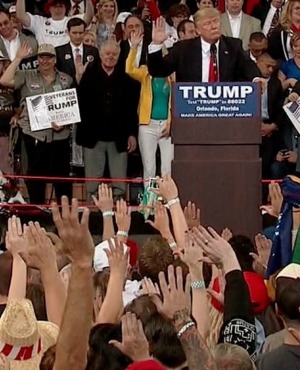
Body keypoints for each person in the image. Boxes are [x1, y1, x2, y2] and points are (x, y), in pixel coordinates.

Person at [0, 43, 73, 204]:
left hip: (60, 136)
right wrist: (19, 57)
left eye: (49, 57)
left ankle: (64, 215)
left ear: (55, 59)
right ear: (37, 59)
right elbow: (5, 80)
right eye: (41, 57)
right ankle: (38, 215)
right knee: (35, 178)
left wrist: (64, 122)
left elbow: (72, 108)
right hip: (34, 135)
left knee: (62, 180)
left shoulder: (66, 79)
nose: (45, 61)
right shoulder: (26, 75)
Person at [76, 39, 138, 202]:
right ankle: (92, 214)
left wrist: (132, 134)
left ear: (119, 56)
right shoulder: (88, 76)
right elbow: (80, 105)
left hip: (119, 138)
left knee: (119, 184)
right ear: (100, 55)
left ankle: (120, 215)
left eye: (114, 54)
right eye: (107, 54)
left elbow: (131, 110)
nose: (110, 57)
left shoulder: (127, 78)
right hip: (93, 138)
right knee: (92, 185)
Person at [147, 8, 262, 83]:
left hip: (225, 109)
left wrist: (256, 78)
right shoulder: (183, 49)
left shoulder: (233, 46)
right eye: (207, 23)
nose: (214, 26)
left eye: (216, 21)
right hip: (192, 110)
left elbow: (247, 65)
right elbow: (158, 71)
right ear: (197, 30)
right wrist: (157, 44)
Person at [126, 30, 174, 186]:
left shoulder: (173, 76)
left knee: (167, 169)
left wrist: (171, 122)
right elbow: (129, 69)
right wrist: (133, 47)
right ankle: (149, 205)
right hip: (147, 125)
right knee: (149, 167)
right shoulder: (146, 72)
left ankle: (167, 203)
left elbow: (176, 102)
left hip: (168, 126)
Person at [15, 0, 94, 47]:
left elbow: (89, 16)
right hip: (46, 61)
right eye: (55, 5)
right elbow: (20, 15)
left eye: (61, 5)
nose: (58, 8)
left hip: (68, 61)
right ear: (48, 7)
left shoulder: (73, 21)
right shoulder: (39, 21)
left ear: (66, 7)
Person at [55, 17, 100, 82]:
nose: (78, 36)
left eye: (80, 33)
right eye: (74, 33)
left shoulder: (93, 51)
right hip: (68, 88)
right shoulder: (59, 52)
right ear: (68, 32)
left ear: (84, 32)